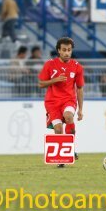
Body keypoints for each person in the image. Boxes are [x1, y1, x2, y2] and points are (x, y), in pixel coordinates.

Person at [38, 37, 84, 168]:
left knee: (69, 116)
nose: (67, 53)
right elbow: (41, 83)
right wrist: (55, 80)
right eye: (64, 50)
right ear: (58, 50)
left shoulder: (77, 67)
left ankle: (71, 147)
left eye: (69, 50)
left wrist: (80, 110)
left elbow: (80, 89)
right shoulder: (50, 65)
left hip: (68, 100)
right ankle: (61, 160)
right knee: (58, 129)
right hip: (52, 102)